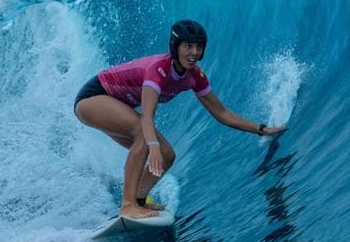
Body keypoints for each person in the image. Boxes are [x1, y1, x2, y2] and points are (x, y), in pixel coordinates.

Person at [74, 19, 288, 219]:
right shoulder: (158, 70)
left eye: (198, 47)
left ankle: (138, 200)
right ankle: (128, 206)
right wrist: (153, 145)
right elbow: (147, 115)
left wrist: (261, 129)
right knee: (143, 134)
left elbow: (222, 113)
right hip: (92, 99)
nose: (194, 52)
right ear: (175, 46)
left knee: (167, 155)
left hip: (117, 106)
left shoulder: (195, 76)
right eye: (188, 46)